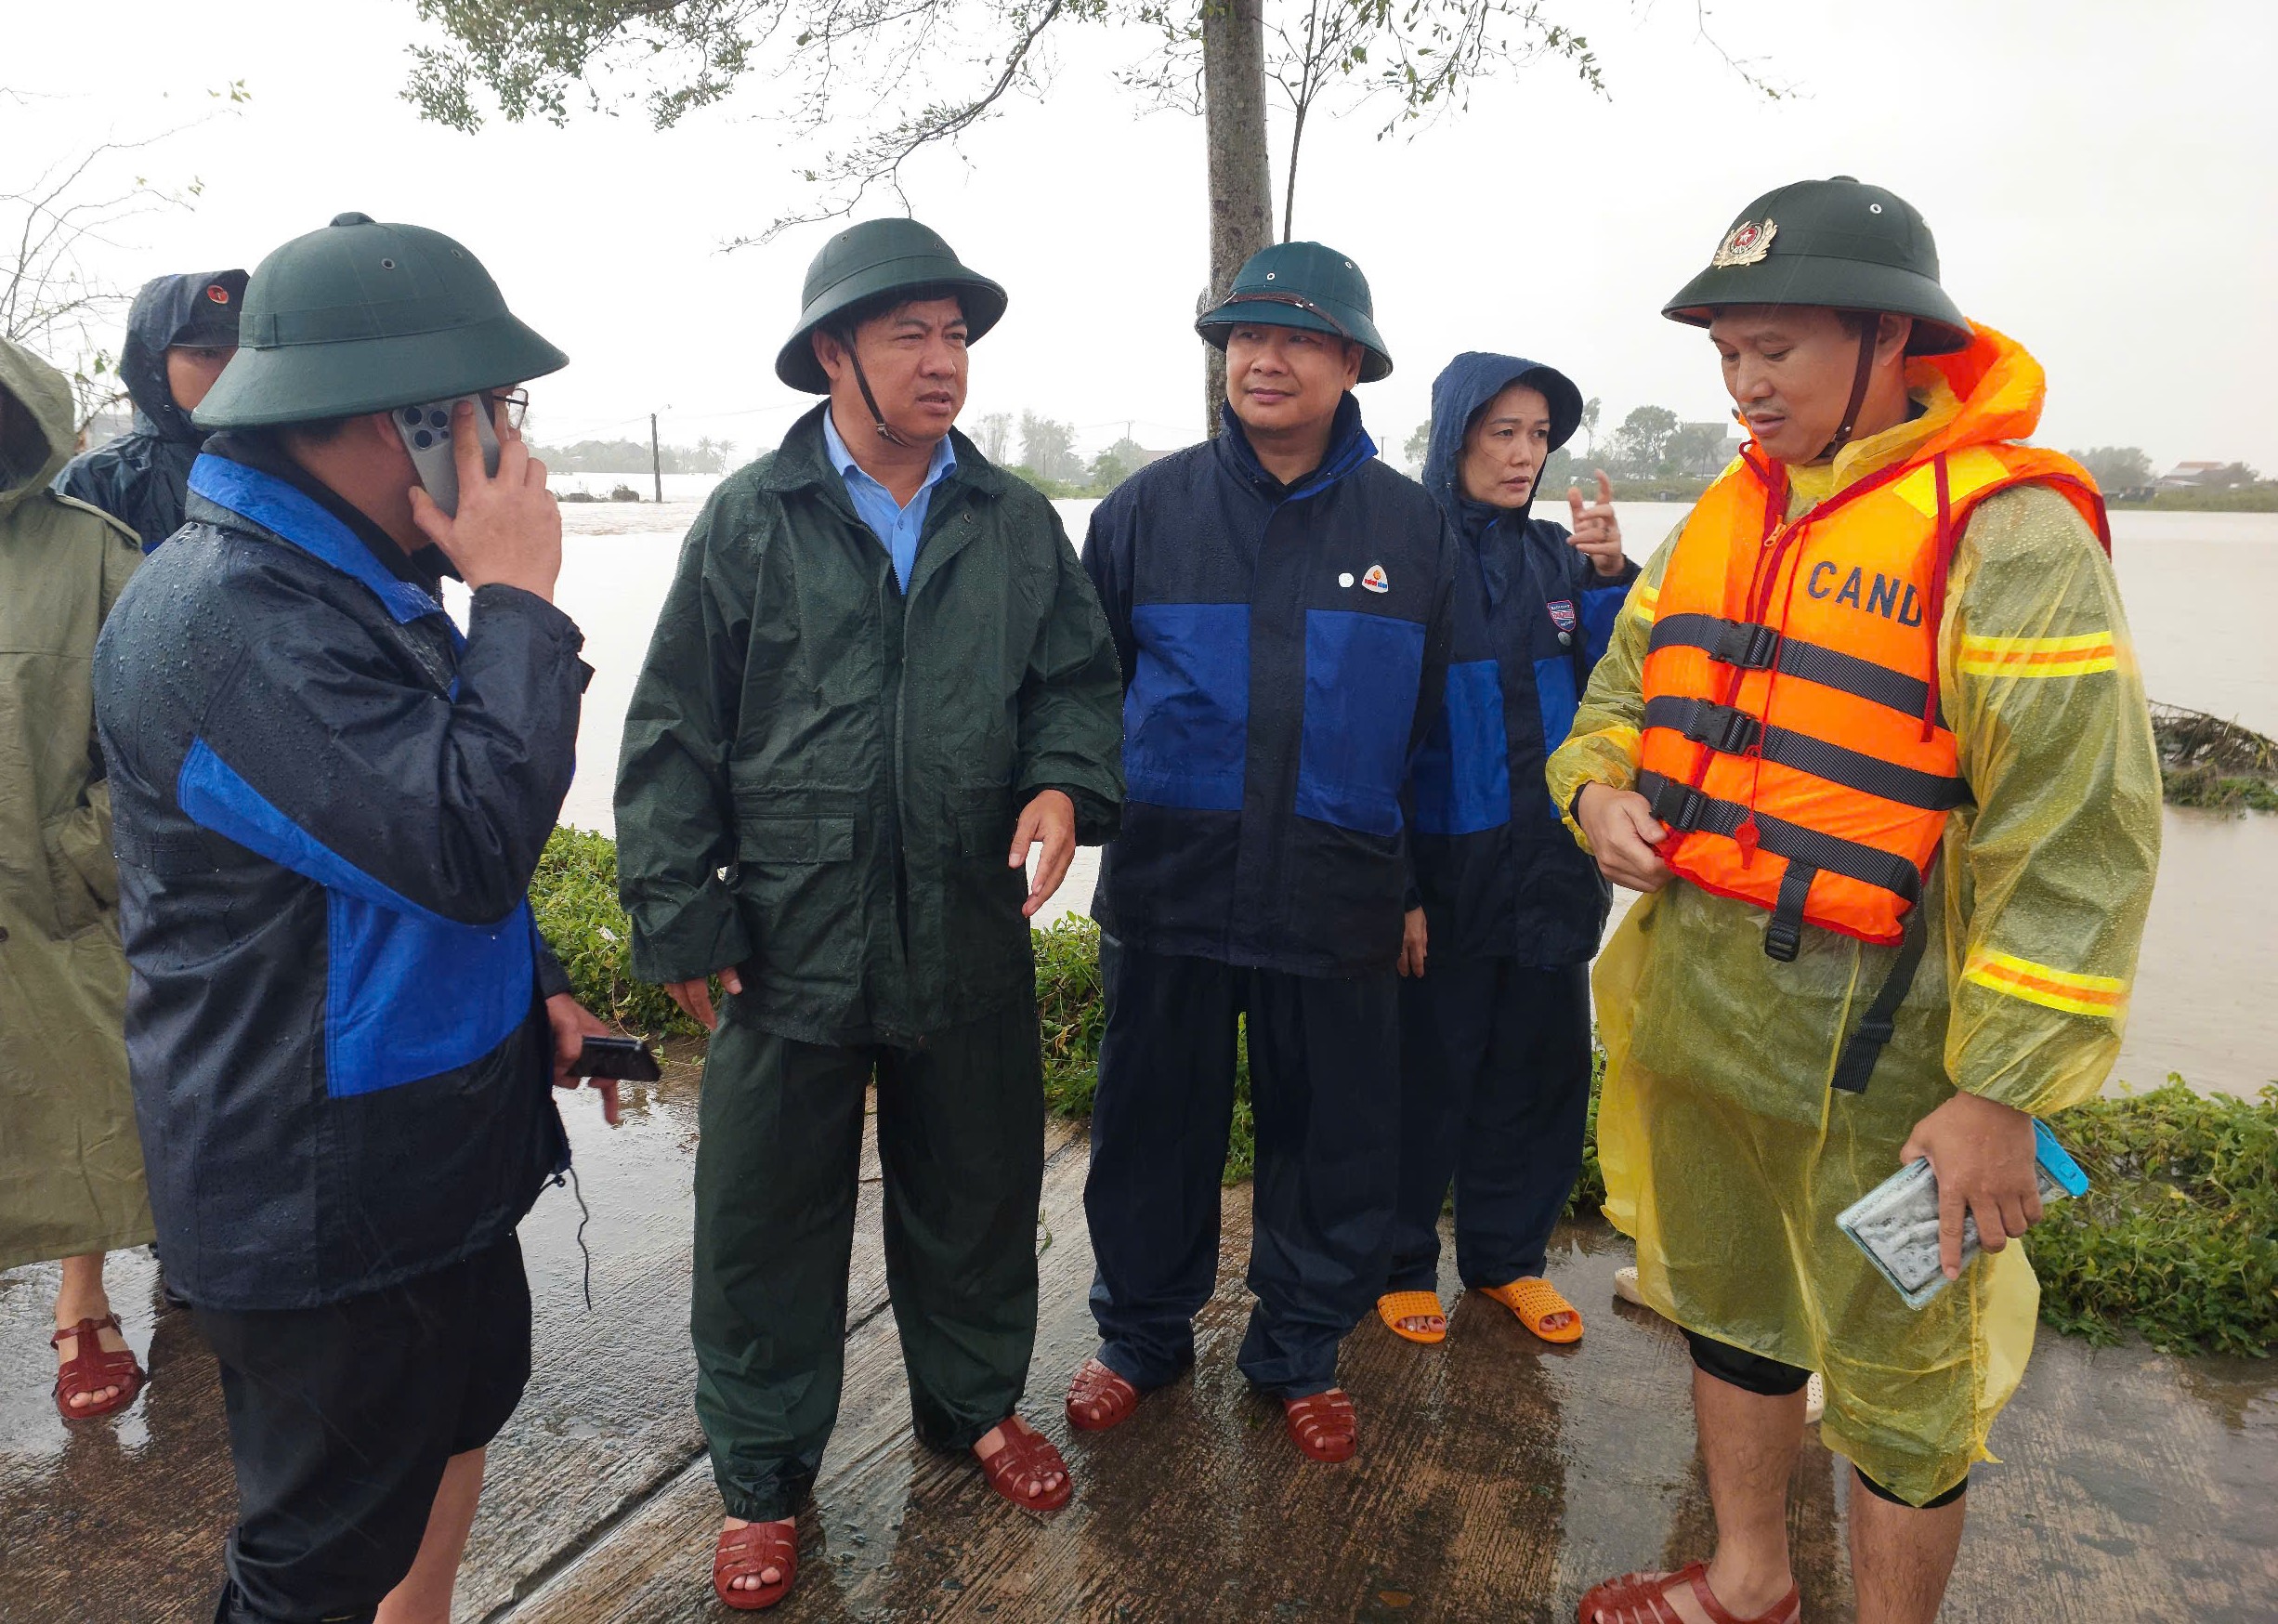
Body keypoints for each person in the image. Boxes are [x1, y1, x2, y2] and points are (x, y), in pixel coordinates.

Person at [1552, 177, 2160, 1624]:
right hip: (1705, 1008)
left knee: (1905, 1385)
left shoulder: (2008, 535)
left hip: (1901, 1055)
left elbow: (2079, 840)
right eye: (1728, 356)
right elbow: (1617, 704)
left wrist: (2002, 1090)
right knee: (1728, 1307)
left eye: (1778, 350)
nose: (1745, 386)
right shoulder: (1719, 513)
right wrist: (1594, 797)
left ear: (1892, 339)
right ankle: (1749, 1578)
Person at [94, 213, 621, 1624]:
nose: (511, 444)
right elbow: (456, 839)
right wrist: (518, 592)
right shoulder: (233, 621)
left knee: (454, 1418)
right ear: (409, 425)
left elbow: (412, 837)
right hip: (322, 1196)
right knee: (315, 1560)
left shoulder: (354, 585)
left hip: (427, 1154)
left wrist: (542, 980)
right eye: (492, 412)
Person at [612, 217, 1123, 1612]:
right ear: (832, 353)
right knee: (766, 1220)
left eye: (956, 333)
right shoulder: (750, 519)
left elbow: (1077, 685)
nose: (942, 359)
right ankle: (764, 1480)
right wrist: (681, 920)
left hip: (966, 919)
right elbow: (670, 735)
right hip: (790, 933)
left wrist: (1065, 789)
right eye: (909, 333)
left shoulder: (1014, 522)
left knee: (975, 1185)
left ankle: (971, 1410)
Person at [1066, 242, 1458, 1465]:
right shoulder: (1146, 512)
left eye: (1293, 340)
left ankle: (1297, 1348)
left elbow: (1438, 740)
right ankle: (1140, 1336)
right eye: (1241, 338)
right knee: (1147, 1128)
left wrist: (1418, 893)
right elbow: (1082, 703)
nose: (1262, 359)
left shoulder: (1413, 531)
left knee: (1332, 1137)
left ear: (1351, 362)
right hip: (1170, 893)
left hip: (1335, 902)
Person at [1378, 353, 1634, 1349]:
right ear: (1455, 437)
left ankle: (1505, 1261)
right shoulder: (1408, 553)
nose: (1523, 454)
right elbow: (1373, 733)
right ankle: (1400, 1261)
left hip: (1549, 867)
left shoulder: (1560, 562)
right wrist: (1394, 884)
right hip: (1444, 867)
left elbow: (1621, 683)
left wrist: (1613, 577)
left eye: (1537, 436)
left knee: (1538, 1073)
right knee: (1424, 1072)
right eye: (1503, 432)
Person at [0, 336, 154, 1422]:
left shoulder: (94, 553)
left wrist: (79, 855)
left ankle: (84, 1299)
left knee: (77, 1111)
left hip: (47, 909)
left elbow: (153, 741)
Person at [52, 268, 246, 547]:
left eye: (242, 352)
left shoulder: (285, 457)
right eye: (208, 353)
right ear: (151, 363)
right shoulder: (96, 480)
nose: (231, 371)